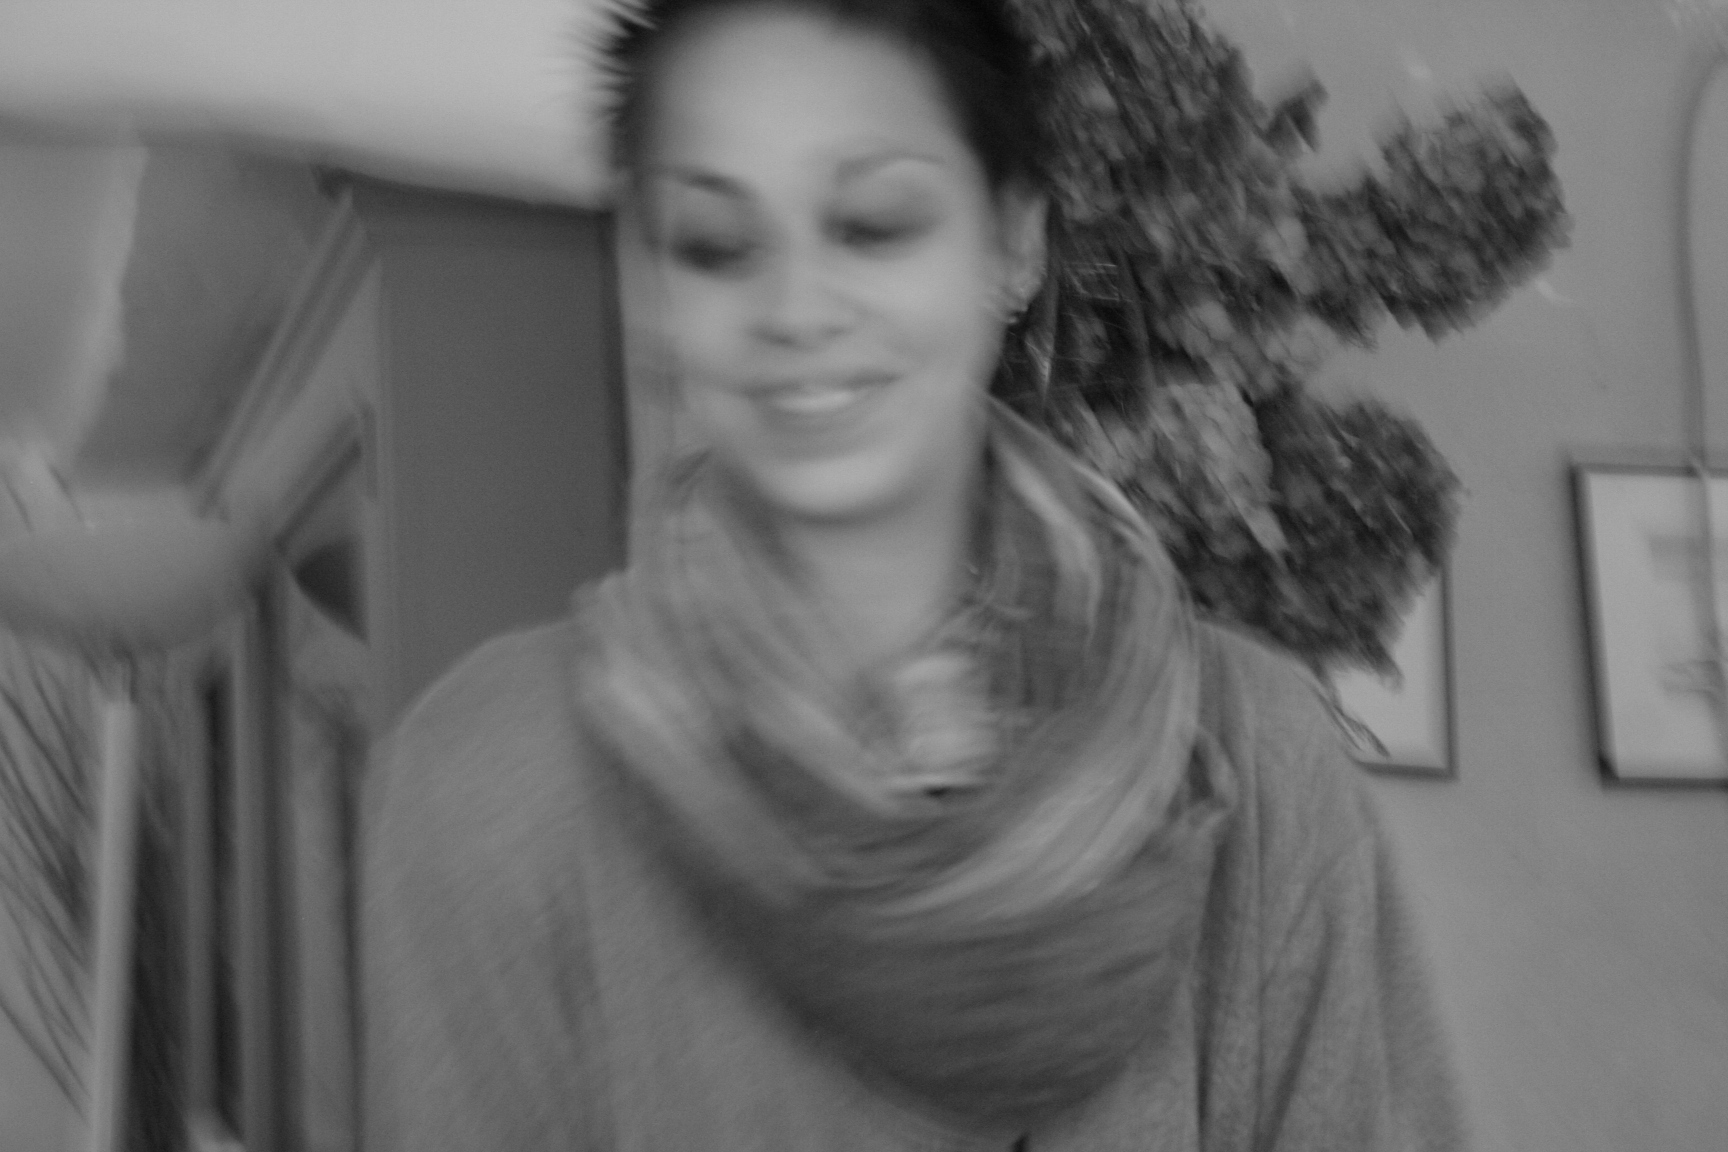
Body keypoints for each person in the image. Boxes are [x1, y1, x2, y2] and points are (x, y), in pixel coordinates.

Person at [359, 0, 1474, 1148]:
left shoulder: (1249, 760)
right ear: (649, 283)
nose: (796, 309)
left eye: (875, 224)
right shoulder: (495, 782)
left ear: (1014, 242)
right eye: (715, 245)